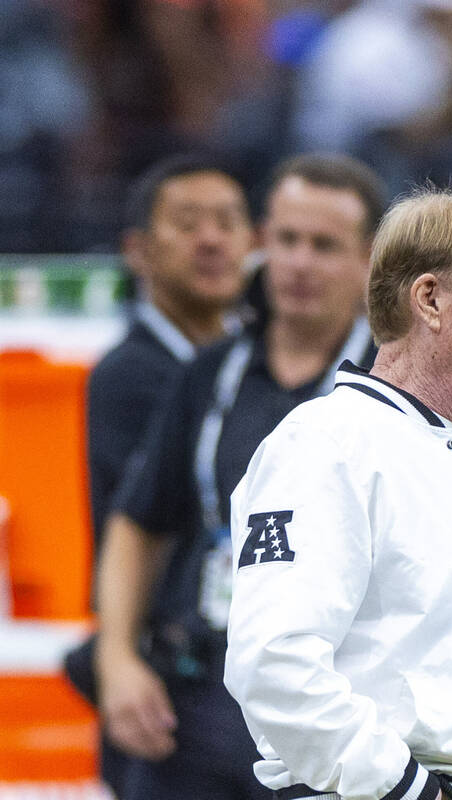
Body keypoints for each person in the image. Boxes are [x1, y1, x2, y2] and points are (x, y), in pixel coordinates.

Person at [223, 189, 452, 800]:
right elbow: (274, 665)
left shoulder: (448, 451)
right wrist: (411, 791)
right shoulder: (325, 445)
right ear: (429, 299)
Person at [92, 153, 386, 800]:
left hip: (333, 703)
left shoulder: (393, 385)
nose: (300, 263)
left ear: (370, 259)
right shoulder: (211, 372)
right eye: (286, 240)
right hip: (200, 692)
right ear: (262, 243)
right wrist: (117, 658)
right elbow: (138, 523)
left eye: (325, 245)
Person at [73, 153, 254, 797]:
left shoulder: (252, 370)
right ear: (138, 251)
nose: (211, 238)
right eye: (186, 223)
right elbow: (157, 530)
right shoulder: (131, 376)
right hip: (168, 685)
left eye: (229, 221)